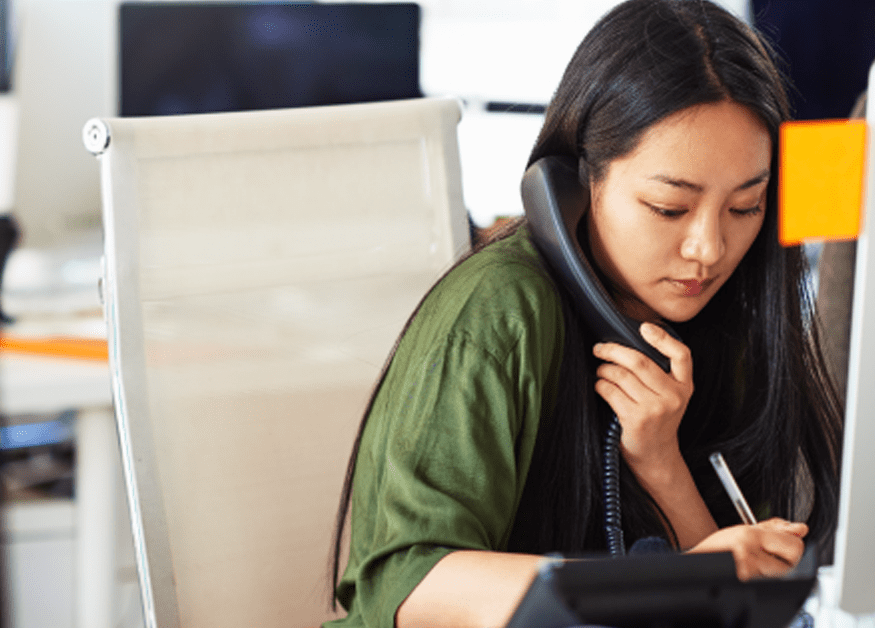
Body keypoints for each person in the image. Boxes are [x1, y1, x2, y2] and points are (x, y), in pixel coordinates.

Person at [326, 1, 843, 626]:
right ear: (577, 184)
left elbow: (727, 592)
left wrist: (663, 466)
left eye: (744, 207)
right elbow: (409, 589)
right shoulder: (501, 312)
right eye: (667, 207)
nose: (708, 249)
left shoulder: (732, 315)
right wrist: (654, 581)